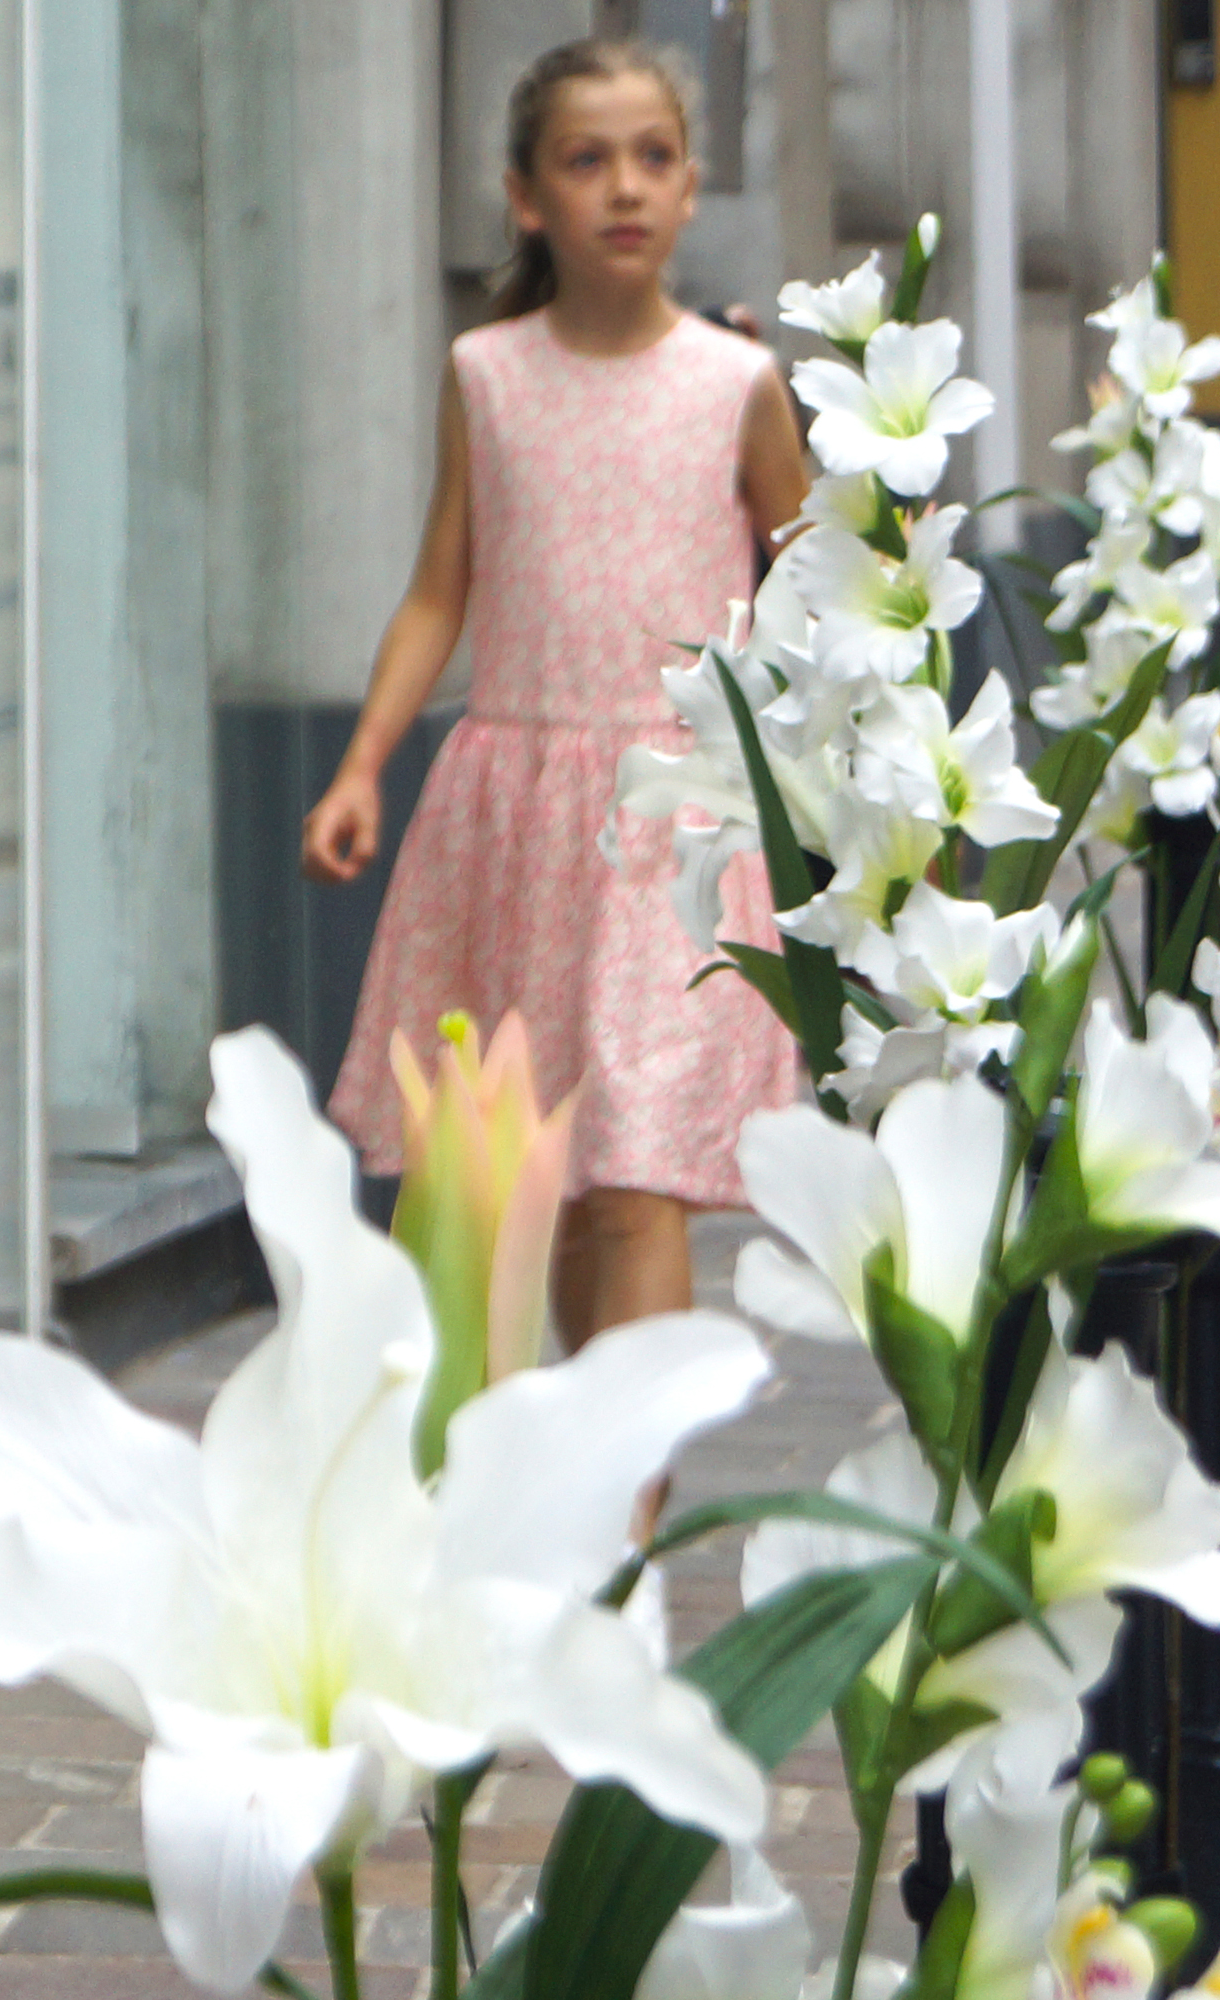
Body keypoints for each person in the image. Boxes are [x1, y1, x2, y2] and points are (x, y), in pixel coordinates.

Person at [302, 38, 809, 1354]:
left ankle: (623, 1551)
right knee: (550, 1188)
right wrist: (360, 767)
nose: (624, 189)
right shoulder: (489, 376)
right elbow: (437, 592)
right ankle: (576, 1494)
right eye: (587, 162)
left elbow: (822, 583)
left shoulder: (735, 384)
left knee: (639, 1185)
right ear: (529, 197)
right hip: (516, 822)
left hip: (674, 828)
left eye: (652, 159)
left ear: (692, 188)